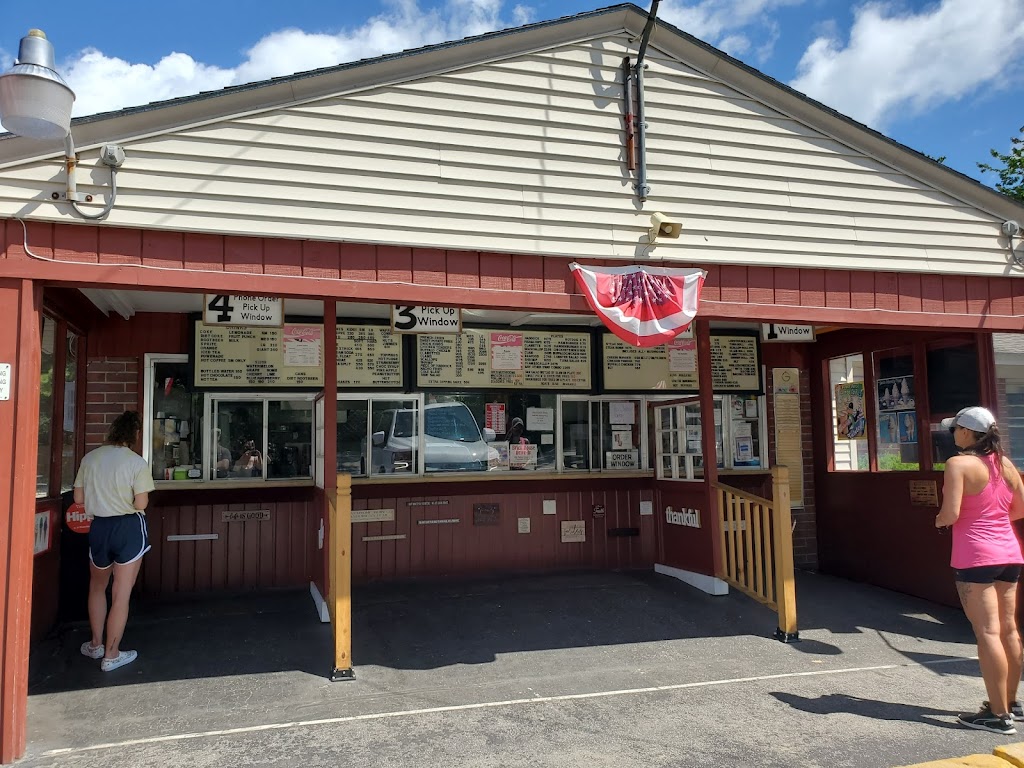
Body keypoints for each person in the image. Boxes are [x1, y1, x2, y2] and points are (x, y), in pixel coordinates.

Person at [934, 406, 1024, 733]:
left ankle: (997, 716)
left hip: (975, 555)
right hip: (1009, 554)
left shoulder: (958, 464)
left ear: (968, 433)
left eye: (955, 428)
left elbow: (951, 513)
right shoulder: (1006, 464)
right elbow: (1019, 509)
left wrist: (938, 521)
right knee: (1009, 629)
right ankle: (1012, 704)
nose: (952, 433)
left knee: (987, 633)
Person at [73, 410, 154, 672]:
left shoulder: (90, 458)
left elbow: (77, 498)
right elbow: (141, 503)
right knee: (121, 593)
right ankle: (112, 654)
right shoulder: (136, 462)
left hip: (100, 526)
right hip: (129, 527)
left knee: (97, 587)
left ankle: (95, 644)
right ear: (135, 434)